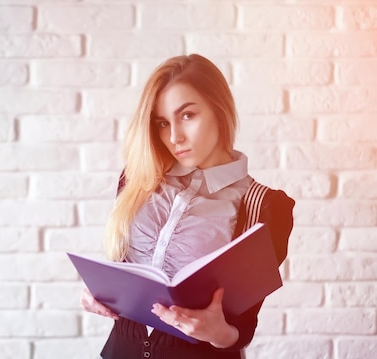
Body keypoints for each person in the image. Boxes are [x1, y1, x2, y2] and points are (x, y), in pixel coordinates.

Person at [80, 54, 295, 359]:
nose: (174, 137)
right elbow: (126, 273)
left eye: (187, 115)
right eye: (163, 122)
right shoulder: (137, 179)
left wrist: (215, 332)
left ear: (219, 110)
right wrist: (102, 296)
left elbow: (242, 327)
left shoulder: (264, 206)